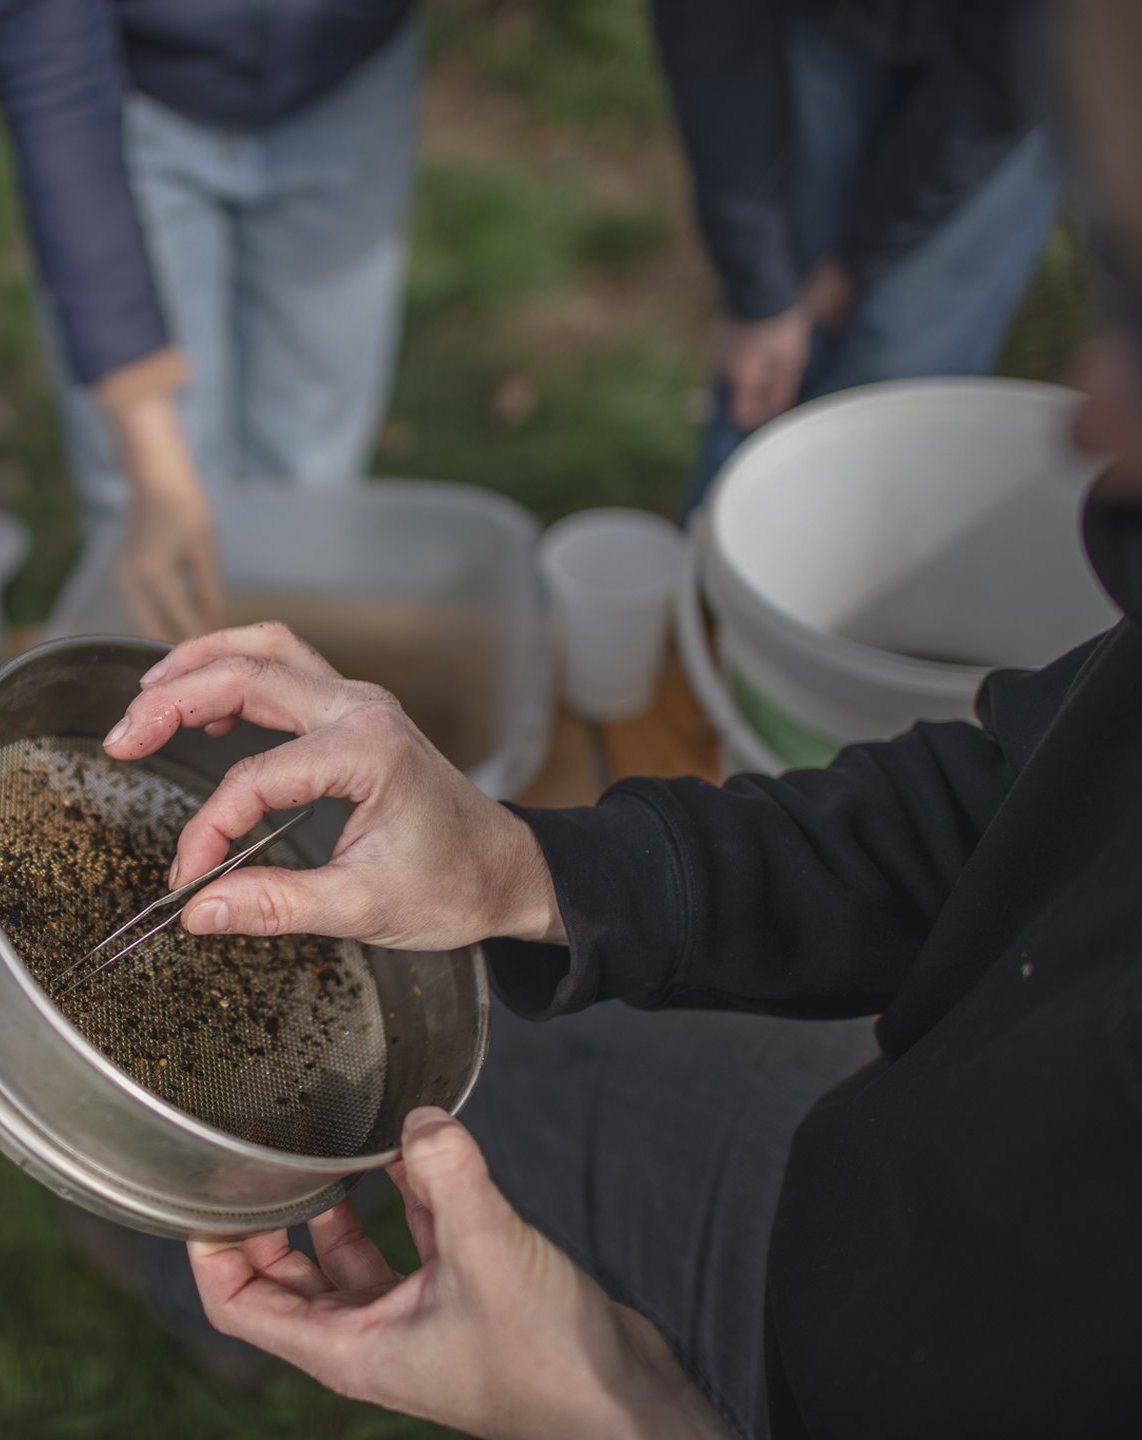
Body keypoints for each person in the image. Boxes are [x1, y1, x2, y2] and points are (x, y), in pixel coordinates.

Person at [88, 5, 1142, 1428]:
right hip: (871, 1177)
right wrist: (528, 868)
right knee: (444, 1036)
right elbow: (1012, 810)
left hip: (822, 1368)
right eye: (1114, 275)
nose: (1089, 416)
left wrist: (618, 1405)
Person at [0, 0, 421, 639]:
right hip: (133, 90)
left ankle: (281, 705)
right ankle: (153, 715)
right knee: (144, 512)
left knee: (311, 477)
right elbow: (50, 76)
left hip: (351, 73)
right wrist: (151, 459)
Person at [658, 0, 1064, 510]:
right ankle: (710, 553)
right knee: (766, 353)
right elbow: (709, 33)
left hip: (1023, 61)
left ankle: (862, 565)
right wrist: (756, 286)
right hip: (828, 25)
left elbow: (1008, 71)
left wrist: (859, 259)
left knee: (896, 389)